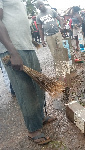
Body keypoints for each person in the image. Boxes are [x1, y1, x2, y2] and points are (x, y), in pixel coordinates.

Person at [0, 0, 56, 145]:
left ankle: (39, 118)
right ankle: (33, 130)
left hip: (26, 46)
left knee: (38, 86)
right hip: (14, 49)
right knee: (26, 90)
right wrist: (13, 53)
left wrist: (30, 41)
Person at [36, 0, 69, 82]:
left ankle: (66, 69)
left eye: (41, 4)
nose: (40, 6)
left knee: (61, 49)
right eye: (38, 6)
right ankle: (60, 72)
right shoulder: (38, 16)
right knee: (54, 53)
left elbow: (60, 19)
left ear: (43, 4)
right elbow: (40, 29)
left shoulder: (52, 11)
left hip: (57, 33)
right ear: (37, 8)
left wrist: (62, 27)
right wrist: (42, 40)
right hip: (48, 36)